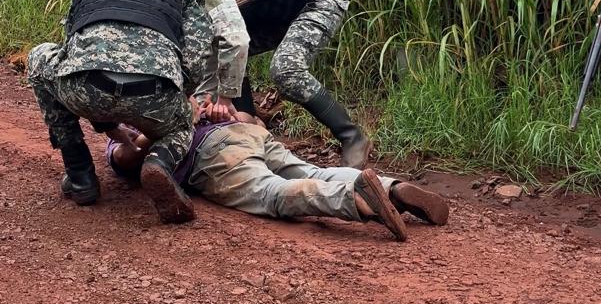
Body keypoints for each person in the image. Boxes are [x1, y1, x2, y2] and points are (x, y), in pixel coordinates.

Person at [28, 0, 212, 224]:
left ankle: (80, 176)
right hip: (154, 92)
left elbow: (70, 43)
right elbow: (198, 54)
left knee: (40, 57)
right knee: (183, 124)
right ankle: (158, 162)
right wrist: (180, 94)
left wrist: (104, 120)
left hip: (87, 86)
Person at [105, 112, 449, 242]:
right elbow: (251, 119)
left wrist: (177, 122)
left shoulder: (128, 121)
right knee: (314, 170)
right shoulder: (185, 86)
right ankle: (394, 188)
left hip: (214, 153)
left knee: (271, 191)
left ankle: (356, 200)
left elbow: (125, 161)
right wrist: (220, 112)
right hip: (245, 134)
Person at [192, 0, 370, 167]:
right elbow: (213, 66)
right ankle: (251, 125)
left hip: (316, 2)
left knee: (286, 70)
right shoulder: (194, 5)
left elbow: (236, 41)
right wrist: (201, 106)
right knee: (222, 55)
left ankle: (351, 136)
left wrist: (225, 99)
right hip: (278, 16)